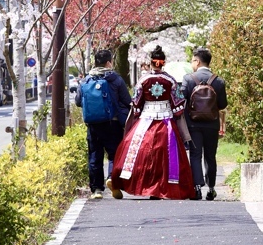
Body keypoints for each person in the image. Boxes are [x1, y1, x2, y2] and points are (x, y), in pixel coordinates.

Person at [107, 45, 196, 200]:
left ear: (151, 62)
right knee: (167, 155)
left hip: (145, 121)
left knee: (137, 153)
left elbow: (136, 103)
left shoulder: (143, 80)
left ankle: (121, 181)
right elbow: (178, 105)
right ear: (163, 63)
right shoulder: (171, 81)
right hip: (166, 122)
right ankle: (162, 187)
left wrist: (138, 113)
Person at [75, 48, 132, 199]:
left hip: (93, 124)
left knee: (95, 155)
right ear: (108, 63)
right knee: (114, 154)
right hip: (112, 123)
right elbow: (127, 101)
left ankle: (96, 189)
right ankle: (111, 178)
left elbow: (78, 102)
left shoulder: (86, 80)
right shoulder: (115, 79)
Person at [181, 46, 228, 201]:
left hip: (193, 124)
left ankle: (196, 189)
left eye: (192, 61)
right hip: (212, 125)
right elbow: (222, 104)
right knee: (210, 156)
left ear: (197, 61)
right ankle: (211, 189)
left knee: (195, 155)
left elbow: (181, 100)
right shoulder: (218, 81)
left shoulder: (188, 79)